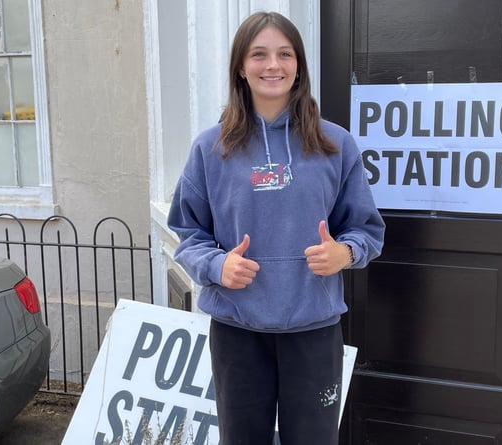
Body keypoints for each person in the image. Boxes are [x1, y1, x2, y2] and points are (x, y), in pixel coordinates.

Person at [167, 11, 385, 445]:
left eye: (285, 54)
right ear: (241, 68)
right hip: (237, 333)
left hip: (314, 330)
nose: (273, 65)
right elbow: (188, 234)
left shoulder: (335, 144)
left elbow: (366, 230)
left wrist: (345, 253)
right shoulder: (210, 148)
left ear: (299, 66)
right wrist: (216, 265)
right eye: (259, 54)